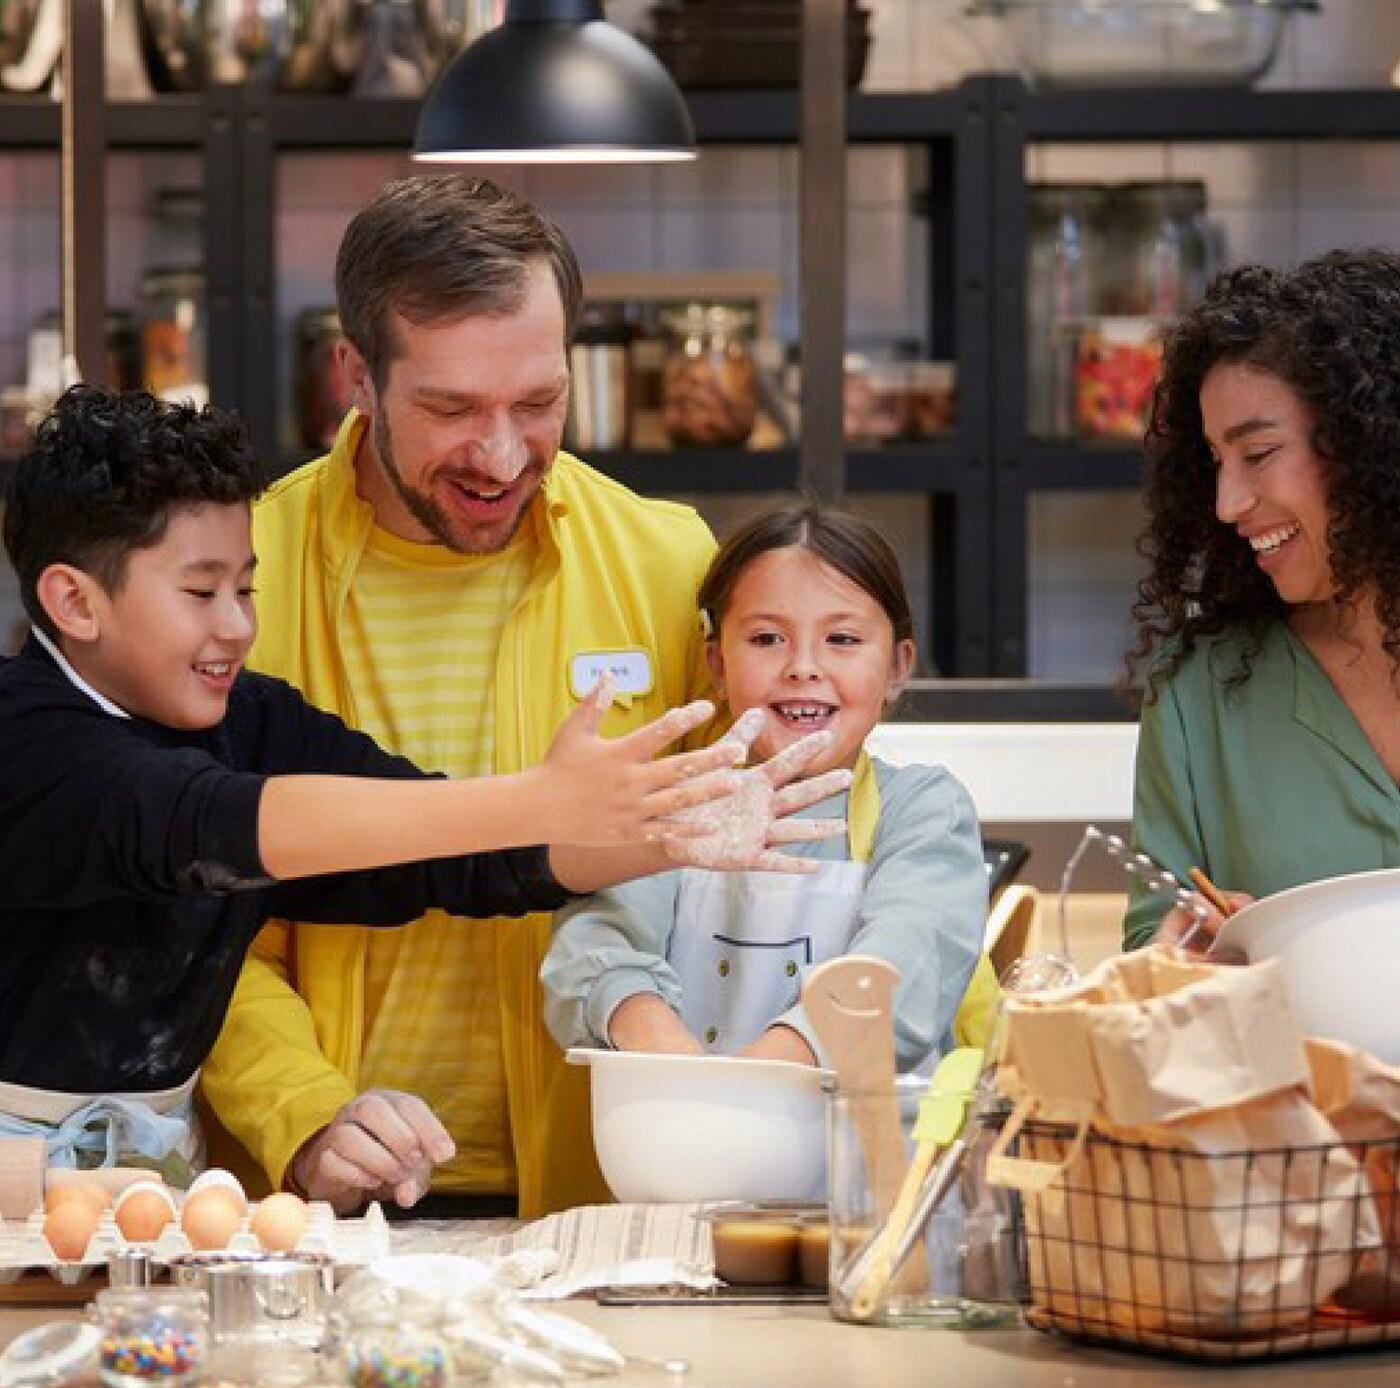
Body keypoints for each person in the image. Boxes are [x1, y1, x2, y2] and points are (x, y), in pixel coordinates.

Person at [0, 386, 846, 1184]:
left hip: (141, 1186)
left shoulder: (248, 720)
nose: (238, 625)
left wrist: (653, 837)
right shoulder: (26, 736)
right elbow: (209, 824)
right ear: (74, 603)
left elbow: (441, 854)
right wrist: (542, 796)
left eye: (247, 587)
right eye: (201, 592)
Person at [200, 174, 739, 1217]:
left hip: (614, 1202)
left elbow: (749, 884)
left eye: (536, 403)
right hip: (313, 1215)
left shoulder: (672, 564)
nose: (499, 456)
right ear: (355, 374)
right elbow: (194, 913)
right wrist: (303, 1110)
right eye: (450, 408)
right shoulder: (241, 574)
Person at [542, 505, 999, 1071]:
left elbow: (906, 960)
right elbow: (593, 947)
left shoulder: (922, 811)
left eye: (842, 638)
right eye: (766, 638)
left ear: (899, 667)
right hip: (685, 1142)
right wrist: (667, 1050)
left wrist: (760, 1079)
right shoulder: (674, 801)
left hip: (873, 1157)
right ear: (716, 662)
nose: (803, 667)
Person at [1124, 248, 1400, 950]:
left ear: (1368, 441)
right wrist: (1188, 956)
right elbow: (1152, 952)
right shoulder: (1198, 695)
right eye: (1216, 462)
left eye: (1259, 453)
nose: (1227, 503)